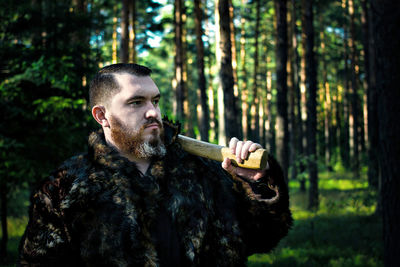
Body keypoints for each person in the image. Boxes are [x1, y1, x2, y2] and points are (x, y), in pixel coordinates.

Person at [18, 63, 292, 266]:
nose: (153, 112)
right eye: (136, 102)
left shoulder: (206, 172)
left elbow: (266, 237)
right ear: (102, 116)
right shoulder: (65, 188)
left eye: (155, 100)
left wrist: (257, 182)